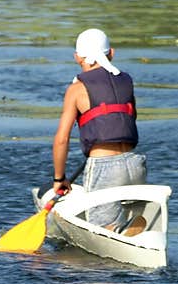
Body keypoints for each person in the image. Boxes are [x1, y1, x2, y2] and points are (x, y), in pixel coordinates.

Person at [51, 28, 147, 234]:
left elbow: (61, 139)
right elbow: (131, 118)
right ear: (111, 53)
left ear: (77, 57)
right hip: (135, 162)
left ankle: (116, 232)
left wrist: (60, 179)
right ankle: (130, 230)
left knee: (101, 231)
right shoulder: (126, 81)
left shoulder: (76, 89)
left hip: (104, 168)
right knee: (135, 222)